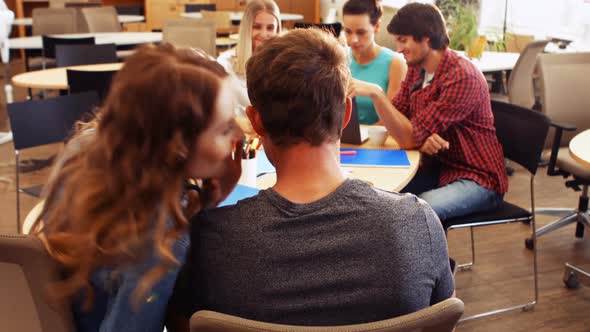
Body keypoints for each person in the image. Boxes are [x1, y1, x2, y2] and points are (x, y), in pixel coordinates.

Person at [171, 28, 454, 326]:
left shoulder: (209, 240)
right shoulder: (416, 222)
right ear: (346, 113)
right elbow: (443, 317)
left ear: (256, 121)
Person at [32, 44, 242, 332]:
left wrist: (204, 203)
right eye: (224, 128)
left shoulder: (86, 150)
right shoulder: (161, 242)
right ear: (178, 146)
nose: (239, 134)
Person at [350, 3, 508, 221]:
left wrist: (376, 93)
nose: (398, 48)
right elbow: (397, 115)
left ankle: (430, 257)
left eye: (403, 40)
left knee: (416, 210)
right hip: (439, 168)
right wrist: (417, 137)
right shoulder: (417, 70)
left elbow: (409, 136)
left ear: (426, 38)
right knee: (377, 197)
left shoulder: (462, 76)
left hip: (477, 177)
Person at [343, 0, 406, 124]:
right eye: (348, 31)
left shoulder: (396, 63)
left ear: (376, 26)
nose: (353, 40)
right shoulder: (339, 57)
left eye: (361, 32)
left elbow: (394, 117)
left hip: (378, 140)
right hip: (339, 137)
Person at [217, 0, 281, 115]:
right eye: (256, 27)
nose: (263, 34)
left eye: (270, 28)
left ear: (277, 30)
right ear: (246, 28)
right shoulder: (225, 64)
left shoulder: (284, 66)